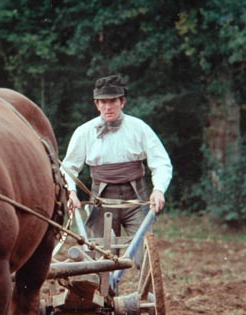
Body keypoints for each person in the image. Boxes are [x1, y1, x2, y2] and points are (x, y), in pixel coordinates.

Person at [61, 74, 173, 261]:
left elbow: (161, 162)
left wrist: (159, 190)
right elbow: (68, 167)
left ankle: (148, 289)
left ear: (122, 102)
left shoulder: (139, 128)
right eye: (102, 102)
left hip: (136, 200)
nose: (107, 107)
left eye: (112, 101)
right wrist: (70, 192)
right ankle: (107, 289)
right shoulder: (84, 132)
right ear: (96, 104)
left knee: (144, 256)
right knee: (102, 259)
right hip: (101, 201)